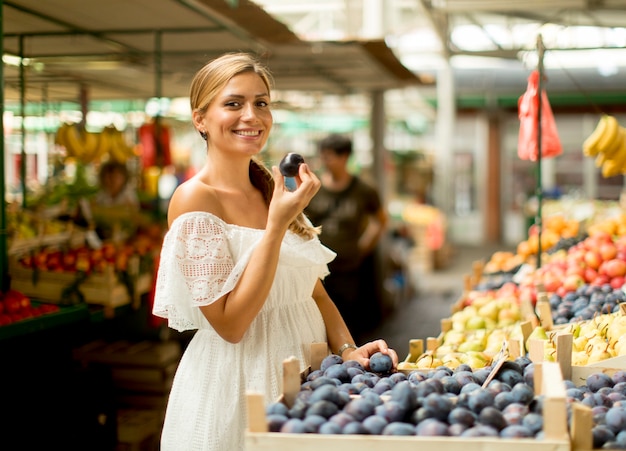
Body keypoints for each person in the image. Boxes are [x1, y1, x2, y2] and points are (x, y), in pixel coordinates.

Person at [151, 52, 398, 451]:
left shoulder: (272, 190)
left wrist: (349, 352)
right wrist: (277, 224)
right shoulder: (194, 199)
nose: (252, 115)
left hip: (311, 382)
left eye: (261, 103)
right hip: (239, 388)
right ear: (200, 119)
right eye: (234, 103)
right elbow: (231, 325)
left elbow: (313, 293)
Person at [305, 134, 389, 343]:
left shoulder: (363, 190)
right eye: (323, 157)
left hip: (349, 266)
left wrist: (363, 246)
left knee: (350, 316)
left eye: (330, 157)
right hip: (316, 266)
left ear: (345, 157)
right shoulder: (312, 187)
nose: (325, 162)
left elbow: (379, 220)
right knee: (316, 316)